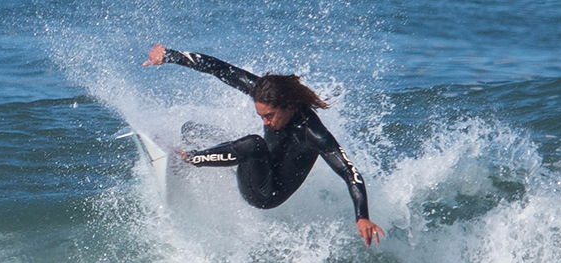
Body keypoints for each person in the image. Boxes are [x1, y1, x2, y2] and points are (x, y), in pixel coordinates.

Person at [143, 44, 385, 247]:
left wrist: (362, 216)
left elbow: (350, 173)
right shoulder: (267, 94)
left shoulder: (314, 134)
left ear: (288, 106)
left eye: (269, 116)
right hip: (259, 165)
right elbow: (221, 69)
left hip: (266, 194)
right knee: (192, 129)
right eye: (261, 115)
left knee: (253, 143)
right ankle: (184, 161)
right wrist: (170, 56)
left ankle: (187, 159)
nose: (265, 121)